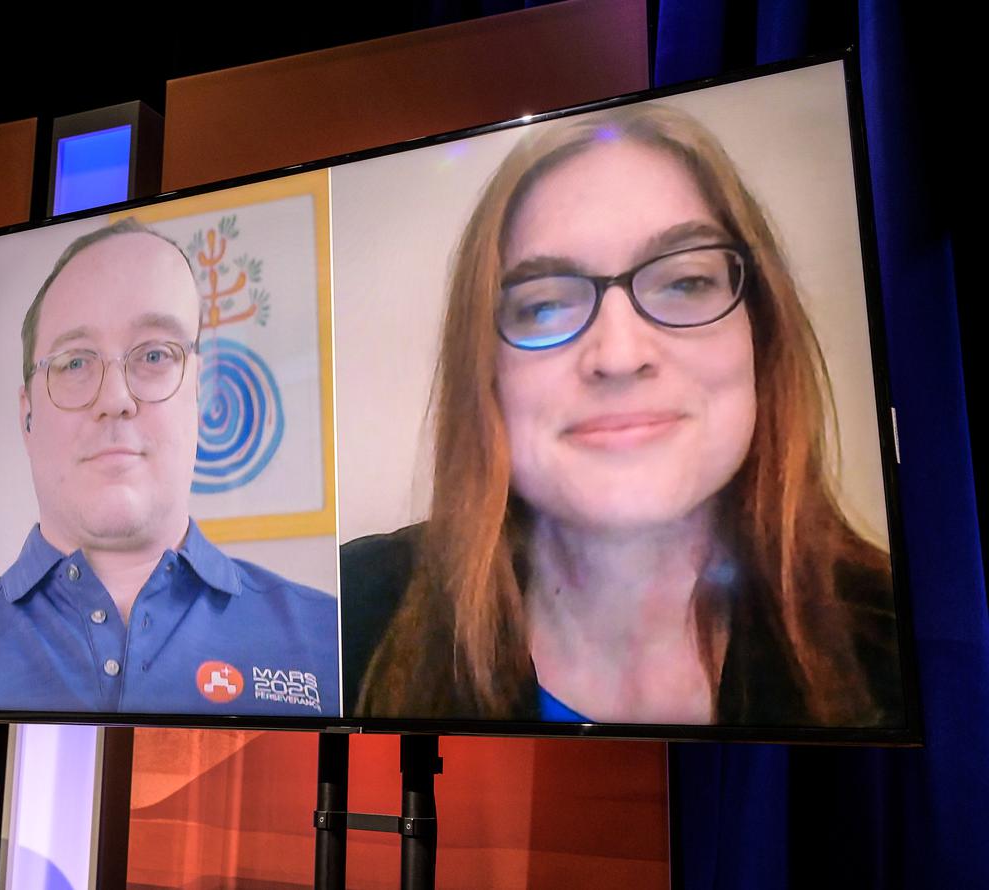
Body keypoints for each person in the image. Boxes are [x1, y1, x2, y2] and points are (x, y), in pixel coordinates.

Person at [342, 104, 903, 727]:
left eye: (686, 283)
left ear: (762, 334)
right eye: (546, 305)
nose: (619, 354)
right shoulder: (345, 619)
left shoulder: (907, 647)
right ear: (486, 372)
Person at [0, 219, 339, 718]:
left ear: (199, 393)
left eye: (156, 354)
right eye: (75, 363)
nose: (116, 399)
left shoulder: (331, 640)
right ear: (26, 413)